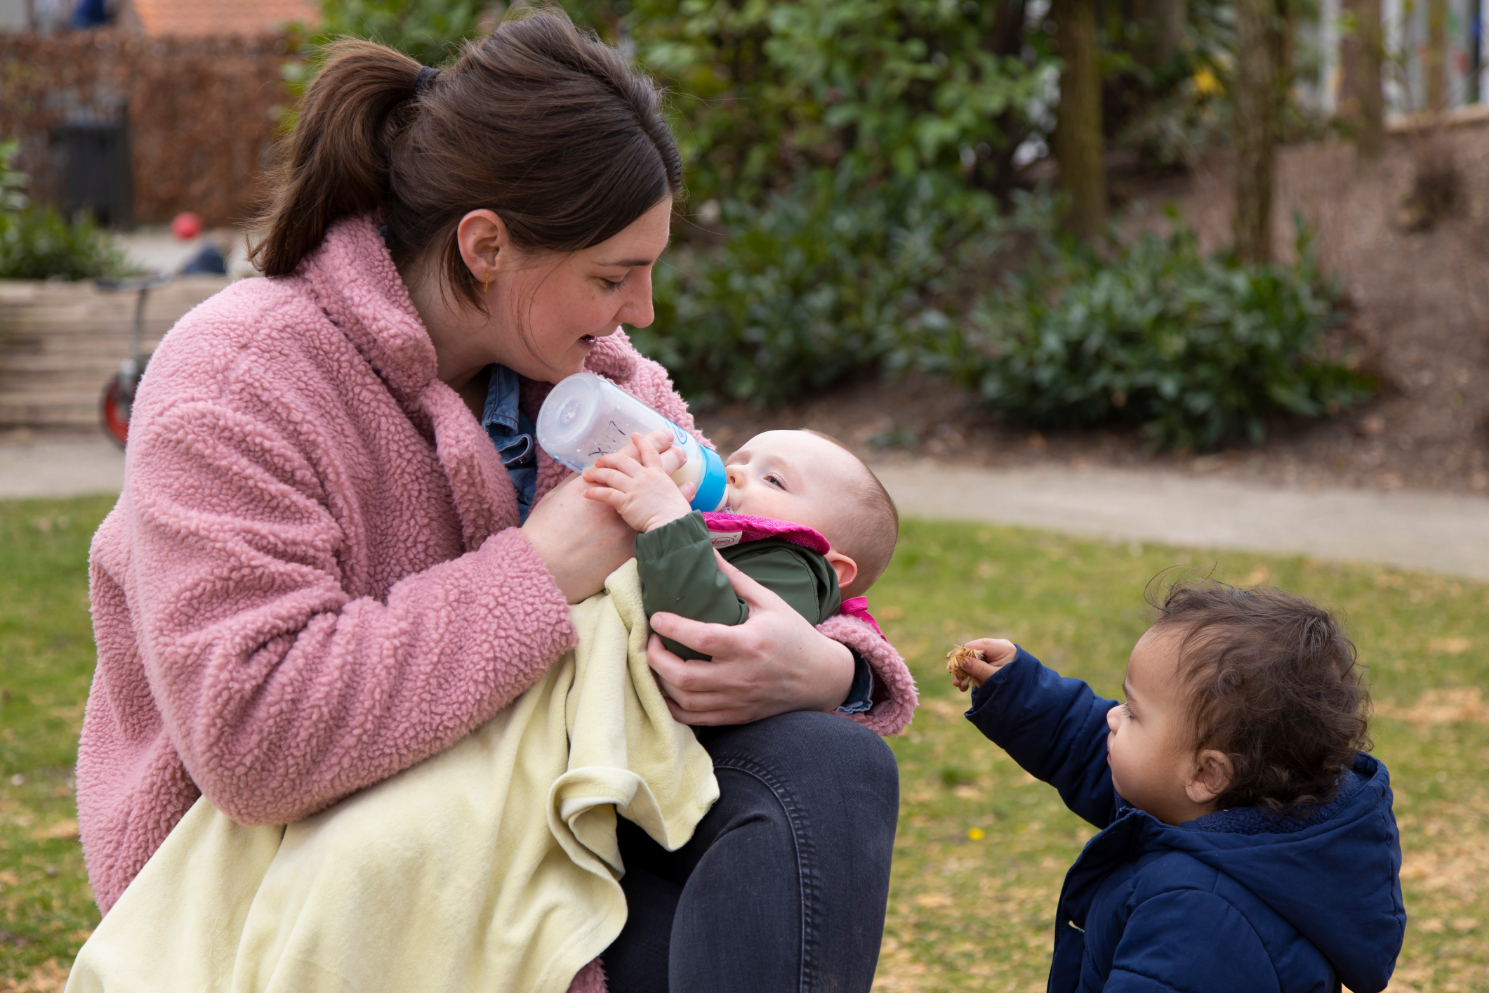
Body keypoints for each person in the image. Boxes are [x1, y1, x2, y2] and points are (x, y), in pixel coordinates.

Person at [77, 12, 916, 993]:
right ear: (486, 245)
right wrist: (538, 572)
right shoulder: (239, 381)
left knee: (832, 765)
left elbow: (754, 544)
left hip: (553, 846)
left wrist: (825, 669)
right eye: (614, 275)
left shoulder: (607, 384)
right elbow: (254, 738)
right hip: (306, 881)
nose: (642, 312)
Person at [949, 581, 1405, 993]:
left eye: (1132, 711)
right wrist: (1016, 687)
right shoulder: (1233, 819)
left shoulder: (1199, 916)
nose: (1111, 716)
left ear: (1208, 774)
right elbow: (1089, 748)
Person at [584, 428, 898, 665]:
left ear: (831, 567)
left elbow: (708, 638)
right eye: (737, 462)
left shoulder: (799, 571)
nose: (734, 473)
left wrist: (666, 522)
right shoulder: (718, 537)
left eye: (773, 479)